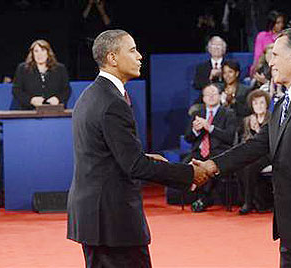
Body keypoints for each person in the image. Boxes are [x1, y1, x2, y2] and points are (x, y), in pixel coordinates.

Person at [193, 28, 291, 267]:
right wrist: (213, 165)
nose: (270, 61)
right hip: (290, 219)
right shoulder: (285, 100)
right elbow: (257, 144)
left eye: (276, 55)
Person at [67, 29, 209, 268]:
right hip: (113, 221)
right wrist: (189, 174)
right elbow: (133, 165)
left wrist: (141, 157)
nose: (140, 56)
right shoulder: (112, 102)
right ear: (113, 58)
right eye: (132, 50)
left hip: (96, 216)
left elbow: (105, 154)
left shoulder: (91, 95)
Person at [184, 83, 237, 212]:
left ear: (220, 96)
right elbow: (188, 138)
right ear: (203, 98)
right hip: (198, 151)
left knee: (210, 163)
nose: (211, 97)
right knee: (186, 164)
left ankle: (204, 198)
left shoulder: (228, 113)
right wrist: (195, 131)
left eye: (214, 94)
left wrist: (210, 128)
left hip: (218, 151)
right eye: (208, 94)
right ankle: (194, 198)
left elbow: (229, 137)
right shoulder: (197, 113)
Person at [238, 89, 273, 215]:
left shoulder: (272, 119)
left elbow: (271, 142)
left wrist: (259, 132)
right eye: (256, 103)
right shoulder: (247, 120)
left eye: (261, 103)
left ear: (267, 104)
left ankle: (249, 202)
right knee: (241, 165)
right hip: (252, 153)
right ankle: (254, 201)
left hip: (269, 154)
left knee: (250, 166)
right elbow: (243, 141)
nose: (259, 106)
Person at [12, 39, 71, 110]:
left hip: (54, 111)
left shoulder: (60, 69)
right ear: (32, 54)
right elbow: (16, 90)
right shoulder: (23, 69)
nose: (39, 54)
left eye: (43, 50)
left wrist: (58, 99)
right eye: (36, 51)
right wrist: (31, 100)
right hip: (29, 111)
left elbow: (66, 90)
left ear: (48, 53)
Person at [220, 60, 251, 127]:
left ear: (236, 73)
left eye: (230, 72)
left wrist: (233, 101)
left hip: (238, 125)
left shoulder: (246, 90)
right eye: (224, 73)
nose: (227, 75)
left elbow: (247, 111)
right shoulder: (218, 89)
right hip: (220, 124)